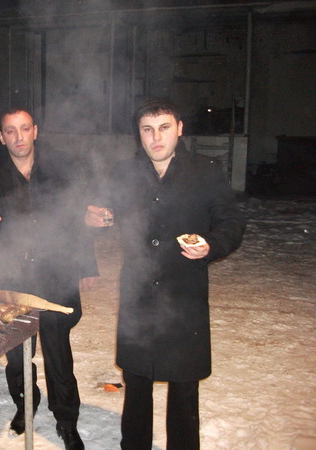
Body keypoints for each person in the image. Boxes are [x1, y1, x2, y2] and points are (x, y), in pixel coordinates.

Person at [86, 98, 245, 449]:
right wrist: (94, 219)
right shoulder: (124, 173)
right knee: (137, 383)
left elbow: (232, 222)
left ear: (179, 129)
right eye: (147, 129)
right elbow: (102, 210)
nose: (156, 137)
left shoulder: (205, 171)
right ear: (139, 134)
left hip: (184, 293)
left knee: (184, 387)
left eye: (164, 128)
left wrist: (211, 244)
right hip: (138, 293)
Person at [0, 108, 99, 450]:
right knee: (16, 351)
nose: (19, 137)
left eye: (24, 128)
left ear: (35, 131)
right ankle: (25, 403)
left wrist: (86, 264)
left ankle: (66, 420)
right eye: (10, 131)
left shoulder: (60, 166)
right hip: (12, 274)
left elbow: (77, 215)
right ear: (1, 136)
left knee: (57, 350)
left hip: (56, 270)